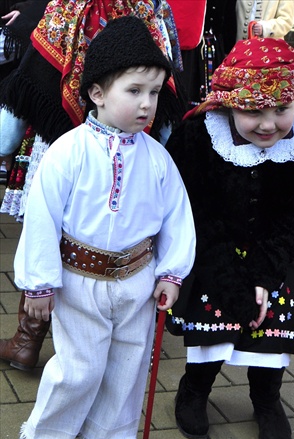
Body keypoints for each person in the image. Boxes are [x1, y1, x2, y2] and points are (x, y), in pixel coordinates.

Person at [14, 16, 195, 439]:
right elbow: (42, 219)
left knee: (128, 363)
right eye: (134, 90)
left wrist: (171, 273)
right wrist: (39, 282)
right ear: (97, 93)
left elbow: (177, 217)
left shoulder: (158, 158)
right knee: (79, 365)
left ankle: (110, 437)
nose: (147, 104)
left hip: (138, 279)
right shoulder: (67, 153)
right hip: (79, 280)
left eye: (154, 93)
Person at [165, 37, 294, 439]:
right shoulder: (197, 138)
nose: (268, 125)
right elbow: (195, 209)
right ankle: (195, 388)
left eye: (281, 110)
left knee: (271, 334)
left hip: (280, 253)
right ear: (228, 105)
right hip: (216, 250)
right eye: (253, 111)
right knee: (212, 325)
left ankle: (266, 397)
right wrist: (231, 275)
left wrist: (265, 272)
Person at [0, 0, 186, 371]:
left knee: (56, 223)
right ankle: (108, 345)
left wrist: (5, 141)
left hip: (65, 139)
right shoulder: (150, 10)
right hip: (134, 147)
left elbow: (30, 77)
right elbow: (169, 83)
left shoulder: (64, 7)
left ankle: (29, 337)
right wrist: (167, 147)